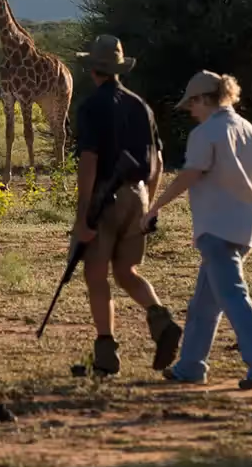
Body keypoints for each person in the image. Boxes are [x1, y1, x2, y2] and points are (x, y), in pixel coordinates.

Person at [143, 70, 252, 389]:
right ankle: (191, 366)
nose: (190, 110)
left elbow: (190, 174)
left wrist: (155, 206)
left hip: (217, 227)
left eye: (192, 103)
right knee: (205, 304)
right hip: (245, 225)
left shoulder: (207, 134)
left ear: (204, 99)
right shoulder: (249, 131)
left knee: (233, 296)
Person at [70, 35, 182, 376]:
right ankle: (161, 320)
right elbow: (159, 161)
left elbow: (89, 160)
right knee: (127, 271)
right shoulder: (141, 106)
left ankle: (106, 353)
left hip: (106, 196)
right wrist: (149, 203)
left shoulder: (91, 107)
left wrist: (83, 215)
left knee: (96, 273)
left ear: (93, 69)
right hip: (139, 195)